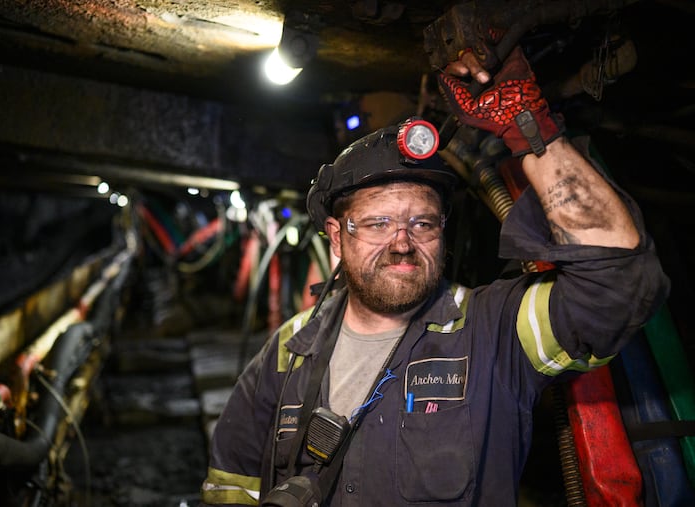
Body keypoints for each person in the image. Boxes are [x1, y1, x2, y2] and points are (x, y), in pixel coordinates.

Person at [199, 44, 670, 506]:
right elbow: (230, 486)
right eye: (379, 223)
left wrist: (527, 125)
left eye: (422, 223)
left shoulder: (495, 333)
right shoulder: (288, 351)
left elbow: (620, 280)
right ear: (337, 237)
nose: (402, 242)